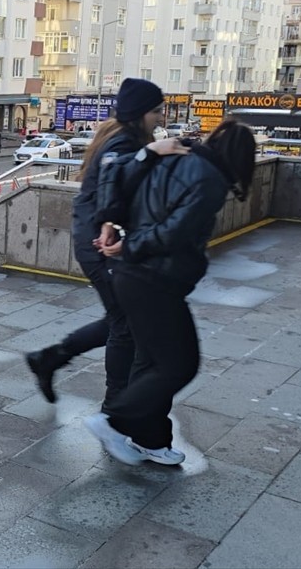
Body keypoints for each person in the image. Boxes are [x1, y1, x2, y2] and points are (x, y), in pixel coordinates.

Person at [84, 118, 256, 466]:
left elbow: (115, 180)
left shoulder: (172, 158)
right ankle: (113, 421)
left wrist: (114, 227)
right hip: (154, 280)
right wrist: (131, 245)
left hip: (133, 277)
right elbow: (174, 231)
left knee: (150, 362)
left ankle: (151, 439)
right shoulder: (210, 181)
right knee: (180, 364)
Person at [24, 78, 185, 404]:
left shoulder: (120, 135)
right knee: (125, 324)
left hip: (97, 236)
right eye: (156, 111)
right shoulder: (123, 143)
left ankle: (50, 358)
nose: (160, 118)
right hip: (98, 244)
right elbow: (119, 170)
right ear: (140, 112)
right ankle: (114, 406)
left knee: (122, 318)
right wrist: (151, 151)